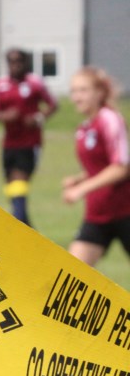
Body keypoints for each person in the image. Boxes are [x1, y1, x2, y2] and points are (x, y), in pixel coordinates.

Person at [62, 66, 130, 266]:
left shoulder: (109, 118)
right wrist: (79, 178)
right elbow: (101, 167)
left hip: (125, 210)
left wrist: (81, 189)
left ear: (99, 92)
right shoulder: (85, 127)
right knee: (71, 275)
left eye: (83, 90)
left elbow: (121, 167)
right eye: (73, 91)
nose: (77, 97)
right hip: (99, 213)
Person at [0, 48, 58, 226]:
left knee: (19, 182)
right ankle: (28, 230)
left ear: (26, 63)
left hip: (30, 143)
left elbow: (53, 104)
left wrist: (38, 118)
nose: (15, 65)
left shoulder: (34, 83)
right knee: (13, 189)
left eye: (19, 61)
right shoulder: (0, 85)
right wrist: (5, 116)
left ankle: (17, 225)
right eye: (11, 61)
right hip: (9, 143)